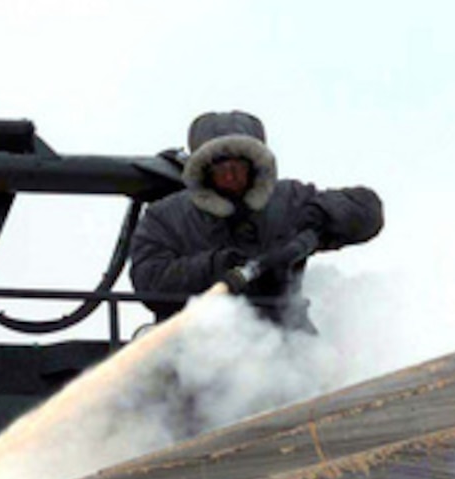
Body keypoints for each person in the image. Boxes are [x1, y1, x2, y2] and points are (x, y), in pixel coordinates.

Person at [130, 111, 383, 331]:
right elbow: (148, 279)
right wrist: (216, 266)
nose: (230, 174)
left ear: (254, 165)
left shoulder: (290, 200)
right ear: (203, 169)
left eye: (238, 164)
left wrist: (323, 214)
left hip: (288, 347)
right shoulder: (165, 217)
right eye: (220, 165)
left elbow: (368, 211)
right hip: (191, 352)